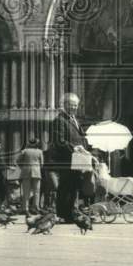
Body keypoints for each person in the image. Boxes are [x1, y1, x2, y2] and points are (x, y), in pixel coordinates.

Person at [50, 92, 90, 222]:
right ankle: (63, 214)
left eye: (76, 105)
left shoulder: (74, 120)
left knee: (74, 186)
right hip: (66, 159)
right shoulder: (59, 120)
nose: (74, 108)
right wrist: (74, 148)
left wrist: (86, 148)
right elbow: (59, 141)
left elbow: (81, 137)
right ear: (64, 105)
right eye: (71, 105)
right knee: (66, 186)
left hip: (76, 159)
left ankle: (70, 212)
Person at [17, 137, 44, 214]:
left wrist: (23, 167)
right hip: (36, 172)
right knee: (37, 191)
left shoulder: (24, 151)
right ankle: (36, 207)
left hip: (26, 172)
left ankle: (25, 208)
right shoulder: (39, 152)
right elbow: (42, 164)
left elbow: (18, 161)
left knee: (26, 191)